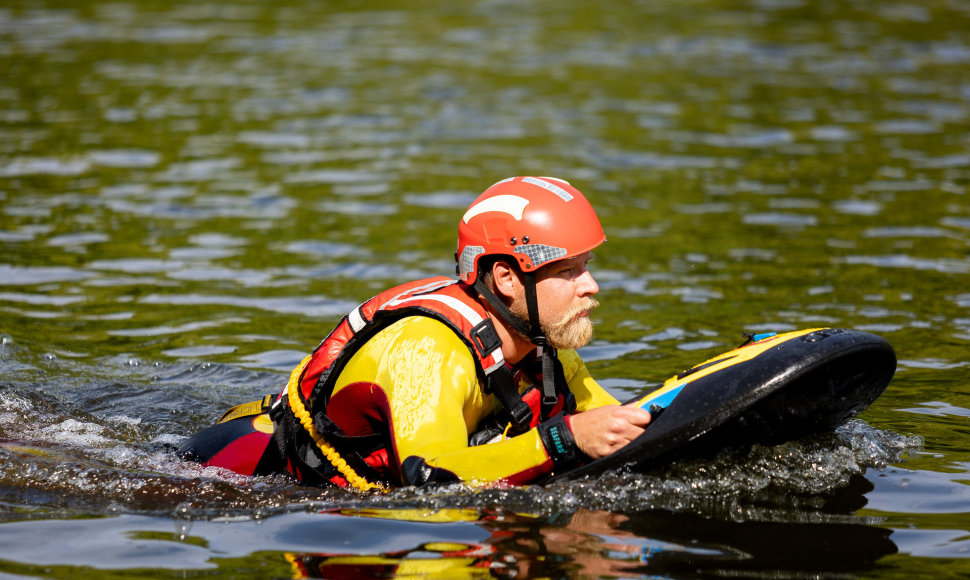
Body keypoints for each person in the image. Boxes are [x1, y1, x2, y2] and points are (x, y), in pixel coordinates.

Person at [178, 176, 652, 490]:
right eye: (568, 271)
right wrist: (563, 441)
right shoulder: (426, 350)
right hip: (220, 472)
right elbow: (428, 475)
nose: (591, 286)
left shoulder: (542, 345)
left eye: (586, 267)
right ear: (507, 279)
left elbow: (619, 420)